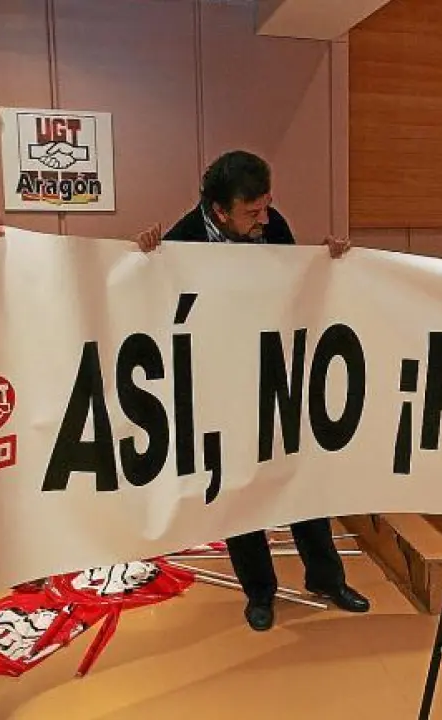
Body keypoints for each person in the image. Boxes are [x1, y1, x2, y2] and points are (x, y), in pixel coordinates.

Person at [135, 150, 369, 632]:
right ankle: (260, 591)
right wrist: (145, 261)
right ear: (220, 212)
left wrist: (328, 264)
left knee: (301, 480)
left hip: (274, 377)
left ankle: (326, 578)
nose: (264, 219)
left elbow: (297, 288)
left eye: (267, 206)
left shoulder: (273, 226)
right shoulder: (182, 241)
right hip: (221, 386)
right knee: (239, 494)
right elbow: (154, 307)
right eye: (252, 211)